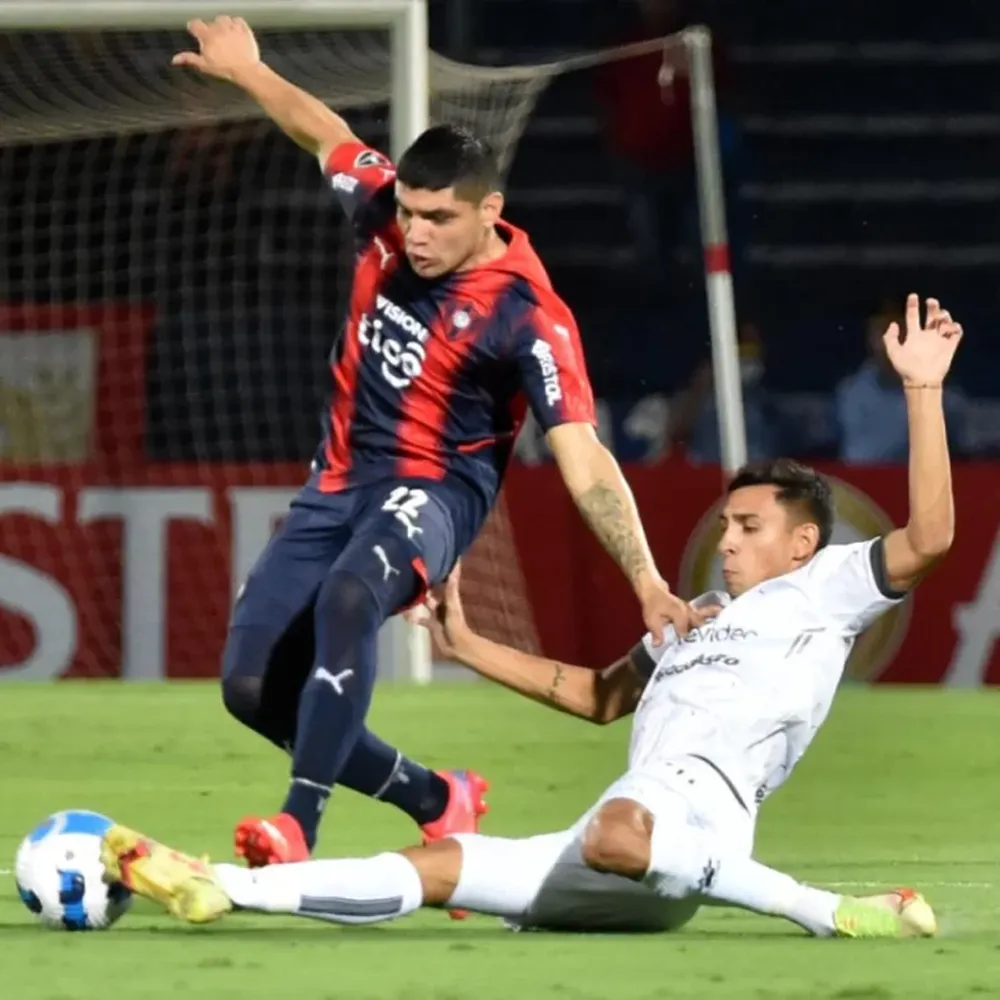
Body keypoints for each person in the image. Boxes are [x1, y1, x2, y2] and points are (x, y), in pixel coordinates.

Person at [99, 295, 958, 938]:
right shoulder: (699, 615)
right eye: (726, 523)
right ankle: (221, 887)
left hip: (693, 821)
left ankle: (829, 912)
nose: (727, 540)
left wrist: (922, 390)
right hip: (626, 842)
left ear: (803, 542)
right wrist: (469, 644)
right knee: (438, 867)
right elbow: (597, 696)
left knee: (617, 830)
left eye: (749, 527)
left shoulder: (826, 589)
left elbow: (930, 537)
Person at [169, 16, 703, 872]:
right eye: (410, 212)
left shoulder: (528, 316)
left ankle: (297, 826)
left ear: (489, 211)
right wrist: (249, 72)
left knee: (349, 598)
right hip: (336, 484)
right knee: (250, 688)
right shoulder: (383, 212)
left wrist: (645, 579)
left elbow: (583, 456)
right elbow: (325, 133)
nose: (415, 233)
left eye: (439, 218)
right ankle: (435, 799)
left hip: (434, 494)